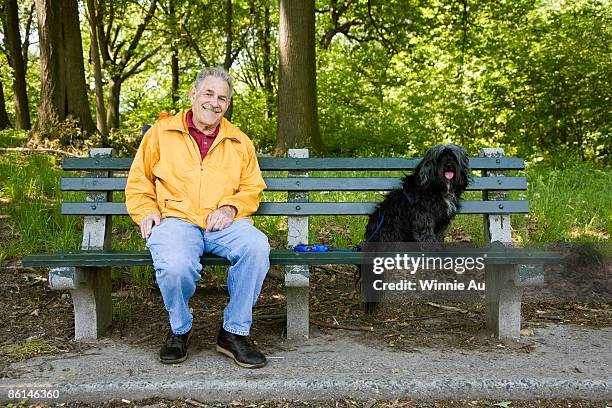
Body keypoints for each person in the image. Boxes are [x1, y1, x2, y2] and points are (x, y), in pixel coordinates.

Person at [125, 67, 270, 368]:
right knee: (176, 266)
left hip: (223, 222)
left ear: (228, 105)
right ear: (193, 94)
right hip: (175, 218)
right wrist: (146, 210)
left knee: (256, 248)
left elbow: (252, 187)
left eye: (223, 98)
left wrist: (231, 208)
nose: (215, 103)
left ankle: (233, 332)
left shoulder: (239, 141)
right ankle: (180, 329)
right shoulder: (161, 133)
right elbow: (139, 180)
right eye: (209, 94)